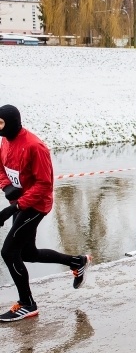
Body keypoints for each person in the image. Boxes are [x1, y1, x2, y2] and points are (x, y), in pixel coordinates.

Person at [0, 105, 91, 322]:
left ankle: (27, 304)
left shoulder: (35, 146)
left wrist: (13, 208)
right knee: (27, 253)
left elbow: (44, 185)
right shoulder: (5, 141)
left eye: (1, 123)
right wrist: (6, 186)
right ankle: (77, 262)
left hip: (36, 205)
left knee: (9, 252)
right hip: (19, 203)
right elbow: (1, 168)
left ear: (12, 122)